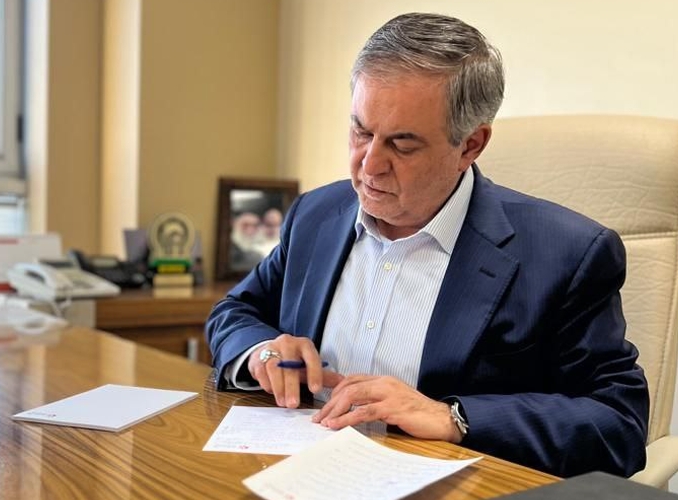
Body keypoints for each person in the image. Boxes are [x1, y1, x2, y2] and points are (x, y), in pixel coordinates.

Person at [205, 12, 648, 478]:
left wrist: (453, 417)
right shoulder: (316, 215)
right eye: (361, 131)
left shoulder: (568, 254)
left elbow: (618, 424)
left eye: (402, 144)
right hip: (294, 474)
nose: (369, 165)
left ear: (470, 145)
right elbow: (233, 314)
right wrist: (262, 352)